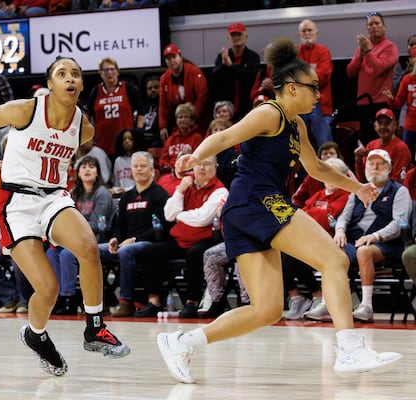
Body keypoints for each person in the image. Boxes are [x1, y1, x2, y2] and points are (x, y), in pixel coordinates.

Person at [157, 37, 402, 384]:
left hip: (245, 211)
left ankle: (181, 342)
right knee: (334, 261)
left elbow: (317, 168)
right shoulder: (269, 112)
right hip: (257, 201)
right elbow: (226, 137)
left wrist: (357, 187)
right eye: (313, 88)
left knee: (267, 309)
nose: (318, 95)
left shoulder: (296, 125)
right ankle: (349, 347)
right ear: (291, 87)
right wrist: (196, 156)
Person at [0, 56, 130, 376]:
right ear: (50, 84)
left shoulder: (84, 128)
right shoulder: (26, 110)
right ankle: (35, 335)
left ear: (81, 85)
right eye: (62, 74)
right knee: (48, 288)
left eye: (76, 74)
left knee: (88, 247)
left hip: (53, 197)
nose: (70, 79)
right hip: (16, 203)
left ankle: (95, 328)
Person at [135, 155, 228, 318]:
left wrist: (180, 215)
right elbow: (168, 214)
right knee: (149, 251)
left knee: (195, 254)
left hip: (205, 240)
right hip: (180, 239)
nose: (202, 168)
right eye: (198, 164)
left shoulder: (220, 190)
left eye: (206, 164)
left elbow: (202, 219)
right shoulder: (187, 185)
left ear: (216, 167)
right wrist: (179, 190)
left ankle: (191, 302)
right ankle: (154, 301)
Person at [333, 149, 411, 322]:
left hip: (388, 244)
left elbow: (400, 223)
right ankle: (328, 303)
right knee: (331, 249)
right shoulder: (357, 191)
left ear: (389, 168)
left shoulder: (400, 191)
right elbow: (343, 217)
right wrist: (339, 230)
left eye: (380, 163)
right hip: (356, 241)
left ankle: (366, 306)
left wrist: (375, 236)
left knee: (364, 251)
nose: (375, 167)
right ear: (365, 166)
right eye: (371, 163)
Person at [99, 151, 170, 316]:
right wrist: (115, 239)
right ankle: (102, 300)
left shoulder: (160, 195)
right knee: (92, 250)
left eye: (143, 166)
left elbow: (160, 227)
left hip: (148, 243)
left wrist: (135, 239)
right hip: (126, 243)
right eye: (135, 166)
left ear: (152, 170)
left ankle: (126, 301)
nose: (139, 170)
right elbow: (119, 226)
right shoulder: (126, 197)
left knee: (125, 251)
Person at [283, 157, 351, 320]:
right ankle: (296, 298)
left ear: (343, 176)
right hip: (306, 238)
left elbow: (330, 219)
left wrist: (313, 214)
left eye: (333, 173)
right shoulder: (318, 194)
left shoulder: (347, 195)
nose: (328, 177)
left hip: (327, 242)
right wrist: (317, 213)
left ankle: (317, 295)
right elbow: (300, 214)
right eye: (326, 173)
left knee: (289, 256)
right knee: (277, 251)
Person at [47, 155, 117, 315]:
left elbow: (99, 226)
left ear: (97, 173)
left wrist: (72, 231)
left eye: (91, 167)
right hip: (76, 241)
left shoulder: (102, 194)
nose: (87, 170)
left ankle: (69, 298)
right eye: (83, 167)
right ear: (77, 173)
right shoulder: (73, 194)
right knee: (51, 252)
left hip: (101, 241)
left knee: (66, 254)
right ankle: (57, 297)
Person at [346, 11, 399, 145]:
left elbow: (378, 69)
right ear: (367, 29)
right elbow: (350, 72)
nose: (374, 26)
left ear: (384, 27)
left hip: (381, 101)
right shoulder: (361, 48)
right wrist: (360, 56)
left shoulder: (390, 47)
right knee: (366, 139)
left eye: (377, 23)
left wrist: (368, 52)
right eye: (370, 24)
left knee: (383, 140)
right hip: (363, 101)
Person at [86, 57, 144, 158]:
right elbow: (87, 114)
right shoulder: (95, 91)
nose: (109, 73)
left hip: (125, 145)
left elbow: (141, 110)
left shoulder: (128, 88)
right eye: (106, 70)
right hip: (102, 144)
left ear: (117, 72)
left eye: (112, 69)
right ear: (101, 73)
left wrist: (138, 131)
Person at [159, 44, 210, 142]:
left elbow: (202, 98)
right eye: (168, 58)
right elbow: (163, 105)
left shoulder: (194, 72)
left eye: (174, 57)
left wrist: (190, 119)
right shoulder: (164, 79)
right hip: (177, 123)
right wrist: (163, 126)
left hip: (198, 122)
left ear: (180, 56)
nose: (171, 61)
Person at [211, 22, 261, 121]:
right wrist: (223, 65)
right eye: (233, 35)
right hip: (227, 108)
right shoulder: (222, 56)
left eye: (239, 34)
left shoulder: (253, 56)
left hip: (247, 105)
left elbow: (250, 77)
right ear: (228, 39)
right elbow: (214, 77)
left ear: (246, 37)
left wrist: (231, 65)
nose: (236, 38)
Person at [297, 19, 334, 148]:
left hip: (320, 103)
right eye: (303, 31)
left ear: (316, 33)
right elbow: (289, 77)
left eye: (310, 30)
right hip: (299, 105)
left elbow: (322, 76)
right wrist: (311, 73)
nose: (307, 33)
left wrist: (301, 75)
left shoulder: (323, 51)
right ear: (299, 35)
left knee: (325, 145)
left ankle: (329, 166)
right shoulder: (294, 54)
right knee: (300, 147)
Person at [353, 108, 411, 183]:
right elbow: (362, 178)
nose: (383, 126)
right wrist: (358, 159)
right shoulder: (371, 145)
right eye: (380, 123)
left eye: (387, 123)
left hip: (392, 192)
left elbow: (398, 181)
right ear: (375, 126)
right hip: (372, 189)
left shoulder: (401, 148)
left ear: (395, 125)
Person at [383, 58, 416, 159]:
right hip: (411, 126)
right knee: (406, 158)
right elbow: (398, 103)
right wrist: (391, 99)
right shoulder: (408, 79)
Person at [158, 103, 203, 173]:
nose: (183, 120)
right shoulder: (171, 139)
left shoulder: (197, 138)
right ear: (176, 120)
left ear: (192, 121)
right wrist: (173, 167)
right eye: (180, 117)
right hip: (170, 173)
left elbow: (197, 159)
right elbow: (162, 161)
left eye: (186, 117)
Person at [111, 128, 146, 195]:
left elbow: (143, 184)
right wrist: (114, 190)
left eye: (130, 139)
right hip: (121, 195)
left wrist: (126, 189)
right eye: (124, 139)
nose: (127, 141)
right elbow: (117, 184)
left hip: (137, 194)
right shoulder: (118, 161)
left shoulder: (141, 158)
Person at [141, 75, 162, 148]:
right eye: (150, 88)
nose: (153, 90)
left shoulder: (166, 107)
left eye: (156, 87)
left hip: (157, 140)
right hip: (144, 138)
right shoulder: (144, 107)